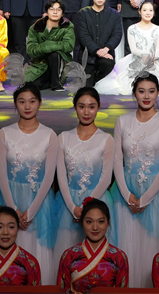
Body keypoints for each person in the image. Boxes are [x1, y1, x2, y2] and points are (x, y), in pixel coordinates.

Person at [111, 74, 159, 286]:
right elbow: (117, 161)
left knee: (154, 245)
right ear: (134, 93)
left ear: (158, 93)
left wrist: (145, 198)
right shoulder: (122, 121)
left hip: (158, 193)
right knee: (127, 242)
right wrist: (127, 194)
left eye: (151, 91)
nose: (146, 96)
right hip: (125, 191)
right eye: (141, 91)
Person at [0, 84, 59, 282]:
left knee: (37, 250)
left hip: (40, 202)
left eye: (32, 101)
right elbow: (1, 175)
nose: (27, 106)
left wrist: (31, 211)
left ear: (40, 103)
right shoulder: (4, 133)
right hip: (9, 198)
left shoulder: (49, 135)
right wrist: (13, 211)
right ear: (15, 104)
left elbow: (49, 177)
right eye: (22, 102)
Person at [55, 88, 115, 253]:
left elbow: (106, 178)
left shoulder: (106, 139)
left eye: (91, 106)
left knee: (98, 254)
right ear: (75, 107)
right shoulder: (63, 138)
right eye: (82, 106)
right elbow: (61, 176)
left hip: (98, 200)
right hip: (68, 203)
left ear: (99, 106)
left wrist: (85, 207)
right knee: (68, 251)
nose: (86, 112)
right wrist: (72, 207)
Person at [57, 197, 129, 292]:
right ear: (82, 223)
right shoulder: (68, 255)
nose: (95, 227)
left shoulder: (119, 257)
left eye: (101, 221)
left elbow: (123, 292)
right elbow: (61, 290)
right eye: (89, 222)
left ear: (108, 223)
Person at [97, 0, 159, 96]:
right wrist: (145, 56)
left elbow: (158, 49)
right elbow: (133, 49)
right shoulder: (132, 28)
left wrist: (151, 58)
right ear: (139, 12)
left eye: (150, 10)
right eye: (145, 10)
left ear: (154, 12)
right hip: (136, 60)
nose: (148, 13)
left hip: (153, 61)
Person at [75, 0, 123, 85]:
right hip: (87, 58)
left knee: (103, 81)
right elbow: (83, 36)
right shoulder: (83, 13)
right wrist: (97, 50)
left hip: (106, 56)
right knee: (87, 88)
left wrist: (105, 49)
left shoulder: (114, 14)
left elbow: (117, 35)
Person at [25, 0, 74, 92]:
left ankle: (56, 84)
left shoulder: (67, 26)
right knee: (30, 86)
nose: (55, 12)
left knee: (54, 54)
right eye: (52, 9)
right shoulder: (36, 27)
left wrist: (47, 46)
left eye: (58, 9)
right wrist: (47, 47)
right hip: (40, 63)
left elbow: (69, 45)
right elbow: (31, 50)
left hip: (59, 62)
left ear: (62, 13)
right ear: (46, 12)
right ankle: (50, 82)